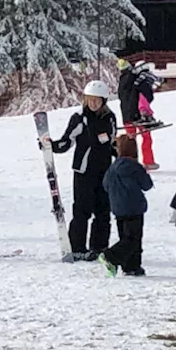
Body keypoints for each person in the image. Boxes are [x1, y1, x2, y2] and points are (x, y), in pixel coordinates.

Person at [43, 80, 116, 260]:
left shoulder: (110, 117)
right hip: (84, 171)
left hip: (105, 170)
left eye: (97, 100)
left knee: (103, 210)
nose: (93, 103)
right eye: (90, 99)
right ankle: (77, 247)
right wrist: (51, 146)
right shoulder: (80, 118)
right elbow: (67, 140)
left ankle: (99, 246)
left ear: (103, 101)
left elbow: (113, 141)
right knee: (82, 209)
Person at [99, 135, 152, 277]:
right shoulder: (135, 167)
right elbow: (147, 185)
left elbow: (105, 185)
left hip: (118, 207)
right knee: (133, 239)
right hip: (134, 207)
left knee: (125, 236)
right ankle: (111, 256)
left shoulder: (112, 167)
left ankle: (131, 267)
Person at [117, 58, 159, 170]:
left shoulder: (121, 83)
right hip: (139, 115)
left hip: (126, 116)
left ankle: (129, 163)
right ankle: (148, 161)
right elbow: (146, 95)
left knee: (131, 140)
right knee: (146, 137)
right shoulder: (136, 79)